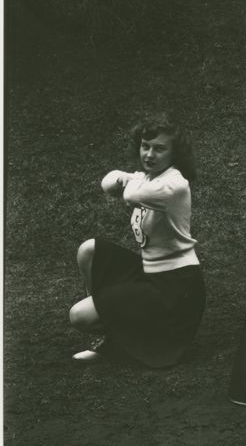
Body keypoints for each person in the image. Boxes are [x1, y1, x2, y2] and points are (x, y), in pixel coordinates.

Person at [68, 115, 206, 367]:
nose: (150, 155)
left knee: (79, 316)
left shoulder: (174, 184)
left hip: (174, 288)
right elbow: (108, 183)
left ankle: (117, 338)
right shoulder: (150, 177)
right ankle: (114, 335)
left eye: (160, 148)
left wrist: (129, 179)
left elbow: (130, 194)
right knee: (89, 249)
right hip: (149, 274)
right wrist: (127, 177)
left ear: (175, 154)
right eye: (145, 146)